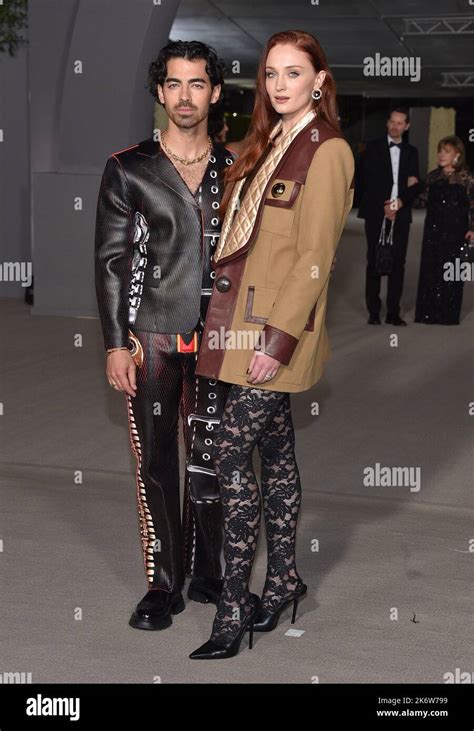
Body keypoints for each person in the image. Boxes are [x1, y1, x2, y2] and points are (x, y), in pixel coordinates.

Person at [188, 29, 355, 660]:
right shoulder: (268, 144)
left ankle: (233, 608)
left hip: (274, 335)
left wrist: (278, 342)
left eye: (294, 73)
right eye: (271, 74)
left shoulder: (327, 149)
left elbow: (316, 259)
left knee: (231, 461)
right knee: (277, 458)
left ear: (319, 80)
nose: (279, 85)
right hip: (237, 328)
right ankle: (283, 580)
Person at [94, 41, 236, 631]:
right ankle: (162, 584)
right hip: (149, 337)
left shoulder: (236, 169)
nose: (185, 96)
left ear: (215, 92)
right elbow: (110, 262)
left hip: (219, 338)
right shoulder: (128, 168)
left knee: (211, 459)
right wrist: (113, 342)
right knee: (157, 462)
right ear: (159, 92)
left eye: (197, 84)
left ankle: (206, 572)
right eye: (174, 84)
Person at [358, 108, 421, 326]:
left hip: (401, 213)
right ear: (387, 123)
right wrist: (385, 205)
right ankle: (374, 311)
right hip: (376, 212)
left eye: (400, 123)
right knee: (374, 259)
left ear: (407, 126)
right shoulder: (372, 148)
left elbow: (415, 184)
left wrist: (399, 203)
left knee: (398, 263)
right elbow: (367, 182)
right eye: (392, 122)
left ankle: (393, 312)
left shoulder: (412, 152)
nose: (395, 126)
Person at [414, 136, 474, 325]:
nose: (441, 155)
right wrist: (412, 187)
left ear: (457, 154)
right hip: (433, 230)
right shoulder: (433, 176)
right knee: (431, 268)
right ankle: (427, 313)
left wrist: (473, 228)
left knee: (452, 270)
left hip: (456, 231)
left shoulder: (466, 177)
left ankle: (448, 314)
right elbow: (421, 201)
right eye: (440, 151)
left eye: (446, 151)